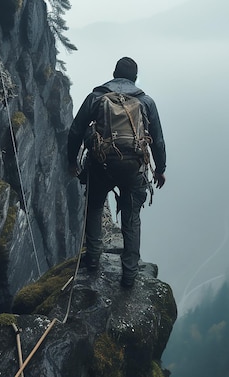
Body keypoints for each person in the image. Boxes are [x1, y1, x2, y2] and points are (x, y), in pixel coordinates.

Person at [67, 57, 166, 288]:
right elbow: (158, 141)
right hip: (133, 167)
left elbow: (75, 131)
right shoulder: (146, 102)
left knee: (94, 206)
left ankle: (92, 259)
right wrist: (160, 170)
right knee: (131, 217)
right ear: (135, 78)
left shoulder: (96, 97)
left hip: (101, 163)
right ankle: (129, 275)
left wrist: (72, 162)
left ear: (113, 73)